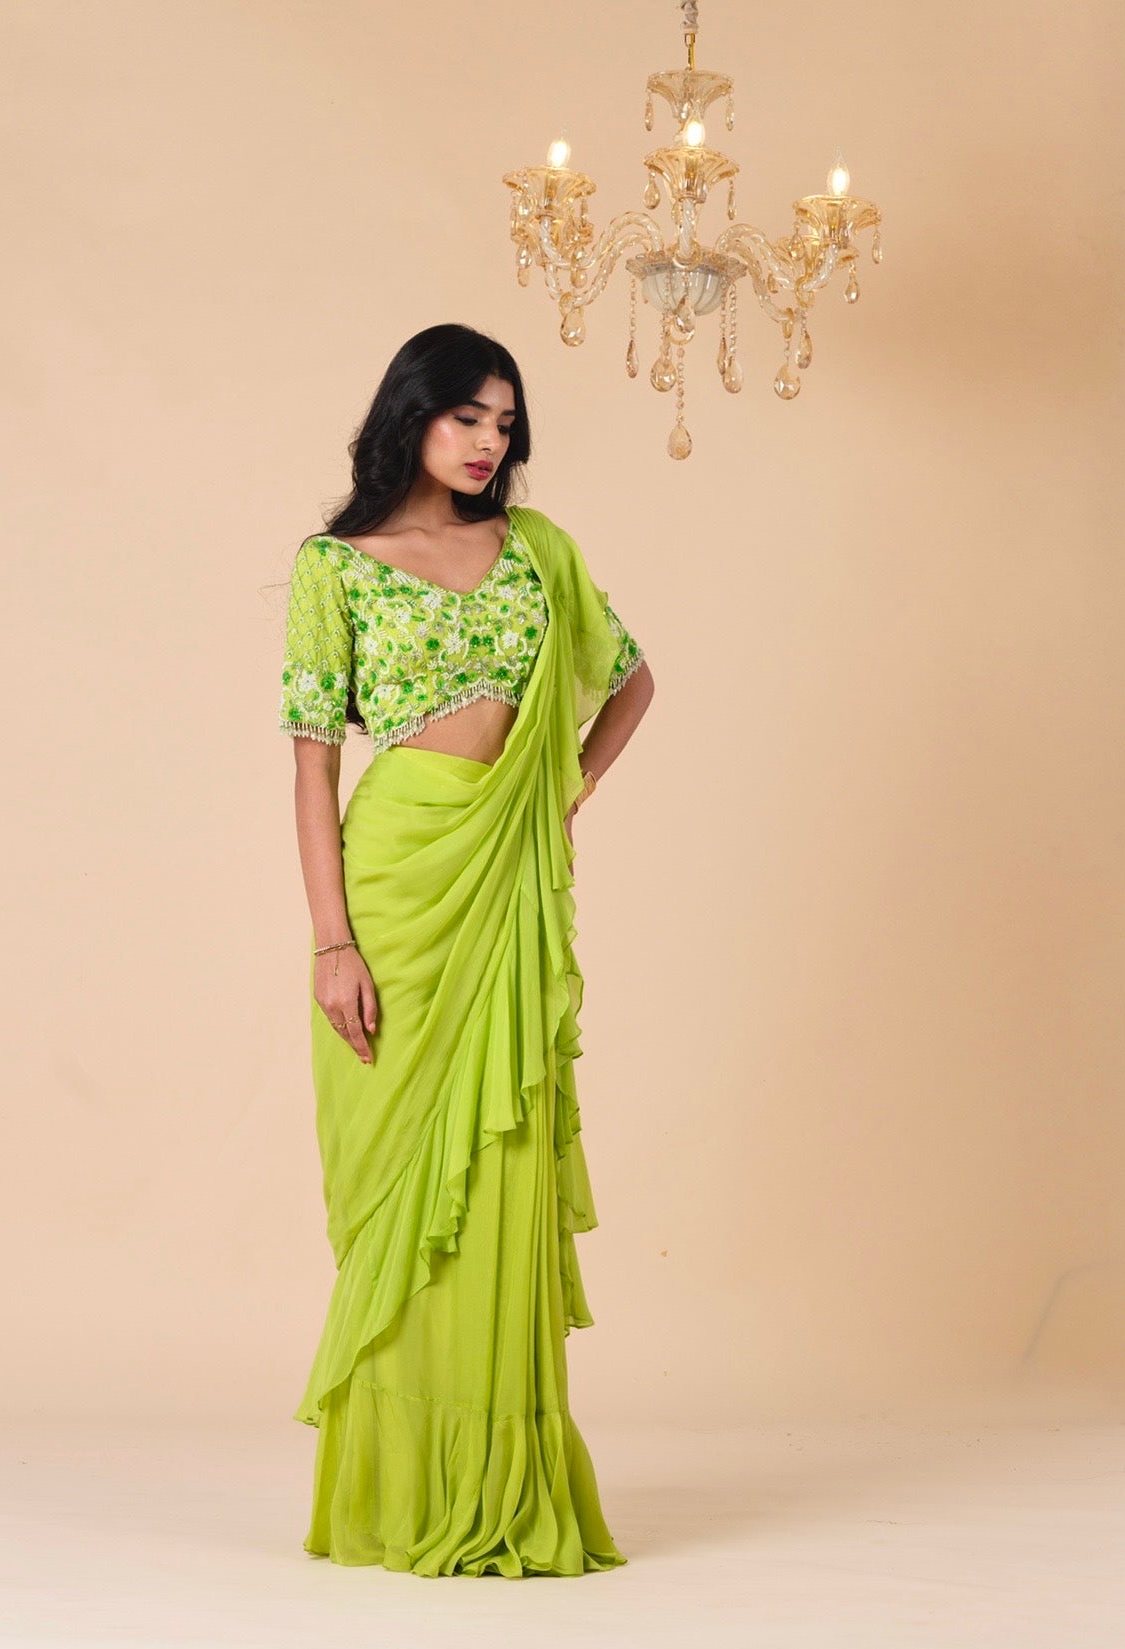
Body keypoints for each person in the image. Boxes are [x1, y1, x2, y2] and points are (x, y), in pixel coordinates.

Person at [278, 322, 655, 1576]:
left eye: (507, 421)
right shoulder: (337, 566)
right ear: (413, 415)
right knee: (398, 1187)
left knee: (493, 1170)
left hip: (503, 883)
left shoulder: (535, 550)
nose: (492, 441)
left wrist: (554, 798)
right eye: (469, 417)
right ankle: (396, 1487)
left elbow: (633, 681)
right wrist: (334, 942)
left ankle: (500, 1476)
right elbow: (314, 762)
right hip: (394, 883)